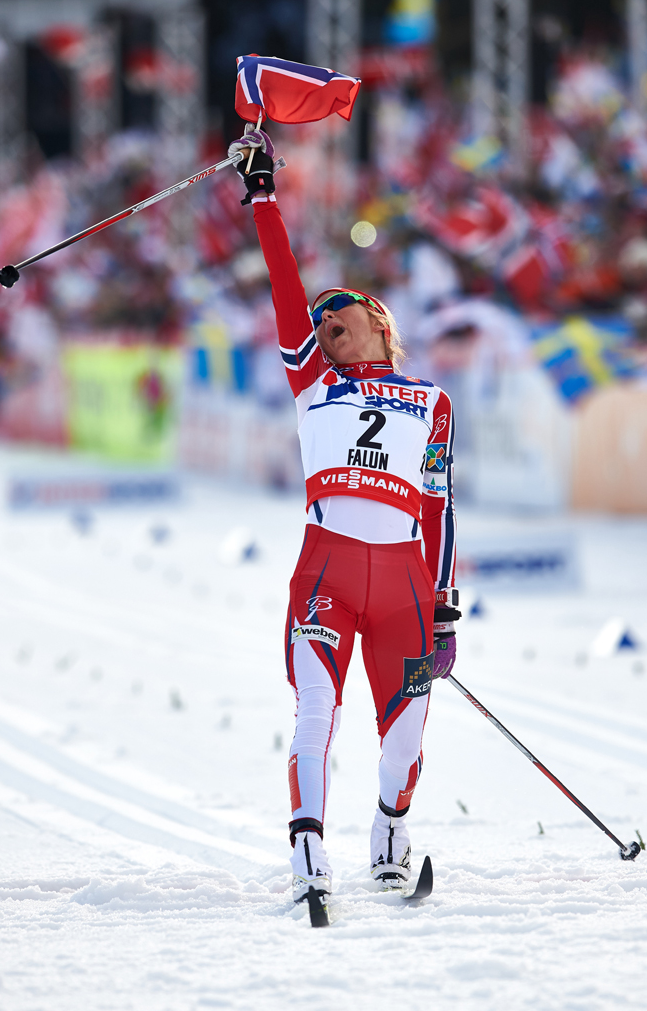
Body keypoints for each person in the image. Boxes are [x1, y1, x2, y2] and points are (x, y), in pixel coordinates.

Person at [228, 126, 460, 903]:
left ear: (380, 326)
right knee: (316, 711)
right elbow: (285, 286)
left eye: (341, 316)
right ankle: (307, 850)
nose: (325, 326)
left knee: (406, 730)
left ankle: (391, 827)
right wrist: (262, 197)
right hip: (327, 562)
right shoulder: (310, 384)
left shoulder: (429, 401)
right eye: (320, 324)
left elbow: (439, 508)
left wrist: (446, 606)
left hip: (403, 577)